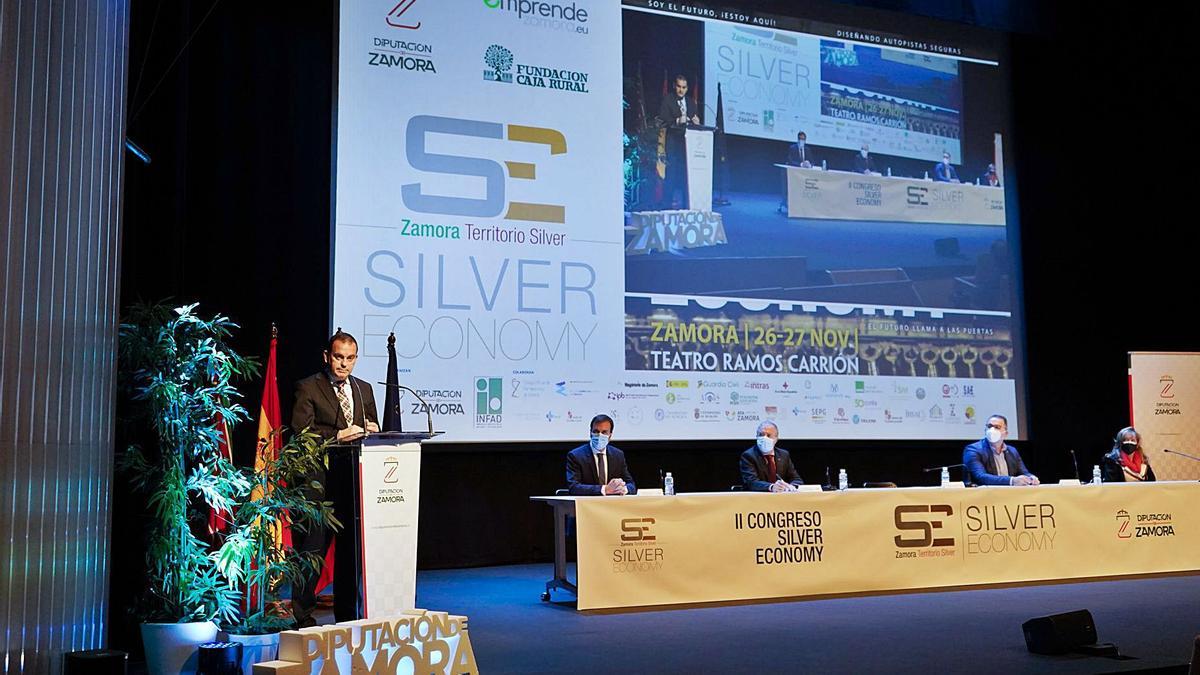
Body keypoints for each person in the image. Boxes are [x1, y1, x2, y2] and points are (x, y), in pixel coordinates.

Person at [289, 330, 380, 627]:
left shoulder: (364, 389)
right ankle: (301, 617)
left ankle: (348, 616)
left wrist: (372, 429)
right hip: (319, 483)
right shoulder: (308, 387)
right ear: (327, 357)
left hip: (352, 484)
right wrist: (337, 436)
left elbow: (369, 427)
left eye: (350, 358)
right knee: (312, 550)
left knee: (350, 556)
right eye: (339, 357)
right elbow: (301, 434)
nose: (344, 364)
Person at [656, 74, 700, 209]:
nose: (681, 90)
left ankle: (688, 205)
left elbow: (694, 118)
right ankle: (667, 206)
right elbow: (662, 119)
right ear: (675, 86)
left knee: (687, 176)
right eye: (679, 87)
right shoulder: (667, 100)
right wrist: (677, 120)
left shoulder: (691, 102)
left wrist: (696, 122)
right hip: (673, 143)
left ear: (687, 89)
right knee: (672, 175)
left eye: (684, 87)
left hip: (688, 145)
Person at [566, 414, 637, 495]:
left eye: (604, 432)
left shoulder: (618, 455)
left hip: (612, 505)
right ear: (590, 433)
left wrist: (623, 489)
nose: (599, 435)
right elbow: (574, 487)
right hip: (587, 505)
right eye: (596, 431)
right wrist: (604, 489)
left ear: (610, 435)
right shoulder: (576, 456)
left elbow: (631, 485)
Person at [962, 414, 1039, 486]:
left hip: (1010, 495)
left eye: (997, 427)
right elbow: (980, 477)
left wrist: (1031, 478)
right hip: (985, 495)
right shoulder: (973, 450)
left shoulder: (1012, 451)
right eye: (989, 426)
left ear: (1005, 433)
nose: (992, 430)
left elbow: (1024, 472)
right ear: (985, 430)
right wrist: (1011, 481)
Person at [739, 420, 804, 492]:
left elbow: (797, 479)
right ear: (756, 436)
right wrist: (771, 487)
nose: (764, 438)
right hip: (758, 498)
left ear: (776, 439)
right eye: (761, 434)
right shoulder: (748, 455)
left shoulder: (783, 455)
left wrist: (791, 486)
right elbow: (751, 482)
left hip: (781, 498)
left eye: (769, 435)